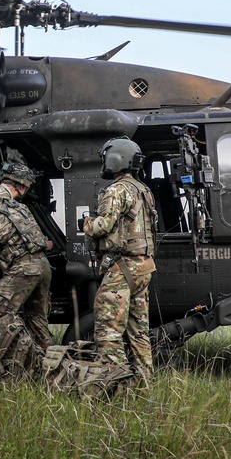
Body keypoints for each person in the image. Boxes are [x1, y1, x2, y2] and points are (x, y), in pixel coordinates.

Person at [83, 137, 158, 380]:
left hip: (121, 268)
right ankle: (144, 384)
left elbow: (103, 226)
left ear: (115, 159)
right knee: (139, 332)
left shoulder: (116, 190)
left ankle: (116, 385)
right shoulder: (143, 190)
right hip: (143, 267)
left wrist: (87, 224)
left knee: (108, 331)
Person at [0, 161, 52, 351]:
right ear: (22, 186)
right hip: (43, 266)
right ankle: (49, 365)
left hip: (23, 270)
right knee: (37, 321)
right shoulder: (18, 208)